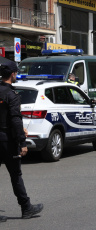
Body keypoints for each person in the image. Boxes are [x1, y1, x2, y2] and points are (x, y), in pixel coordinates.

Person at [0, 61, 43, 221]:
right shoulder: (12, 95)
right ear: (12, 75)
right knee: (16, 175)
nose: (16, 76)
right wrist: (22, 142)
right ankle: (26, 208)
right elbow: (16, 120)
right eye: (16, 73)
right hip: (7, 141)